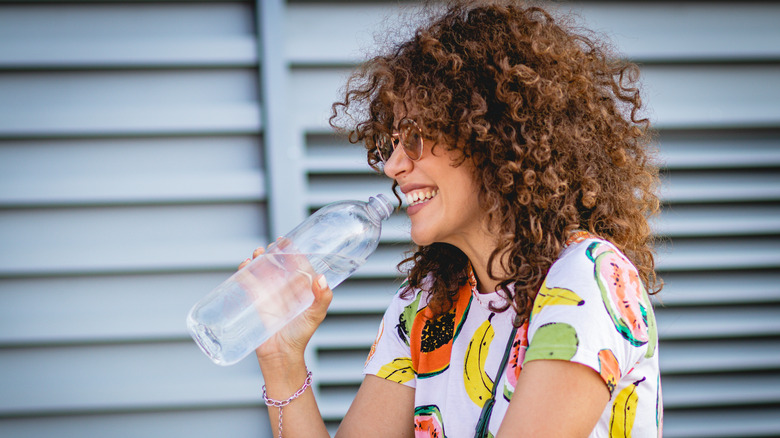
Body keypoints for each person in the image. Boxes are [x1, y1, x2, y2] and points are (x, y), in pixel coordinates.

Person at [241, 1, 663, 436]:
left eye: (415, 136)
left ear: (493, 136)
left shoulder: (588, 280)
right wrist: (283, 361)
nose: (392, 166)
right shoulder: (426, 306)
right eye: (392, 142)